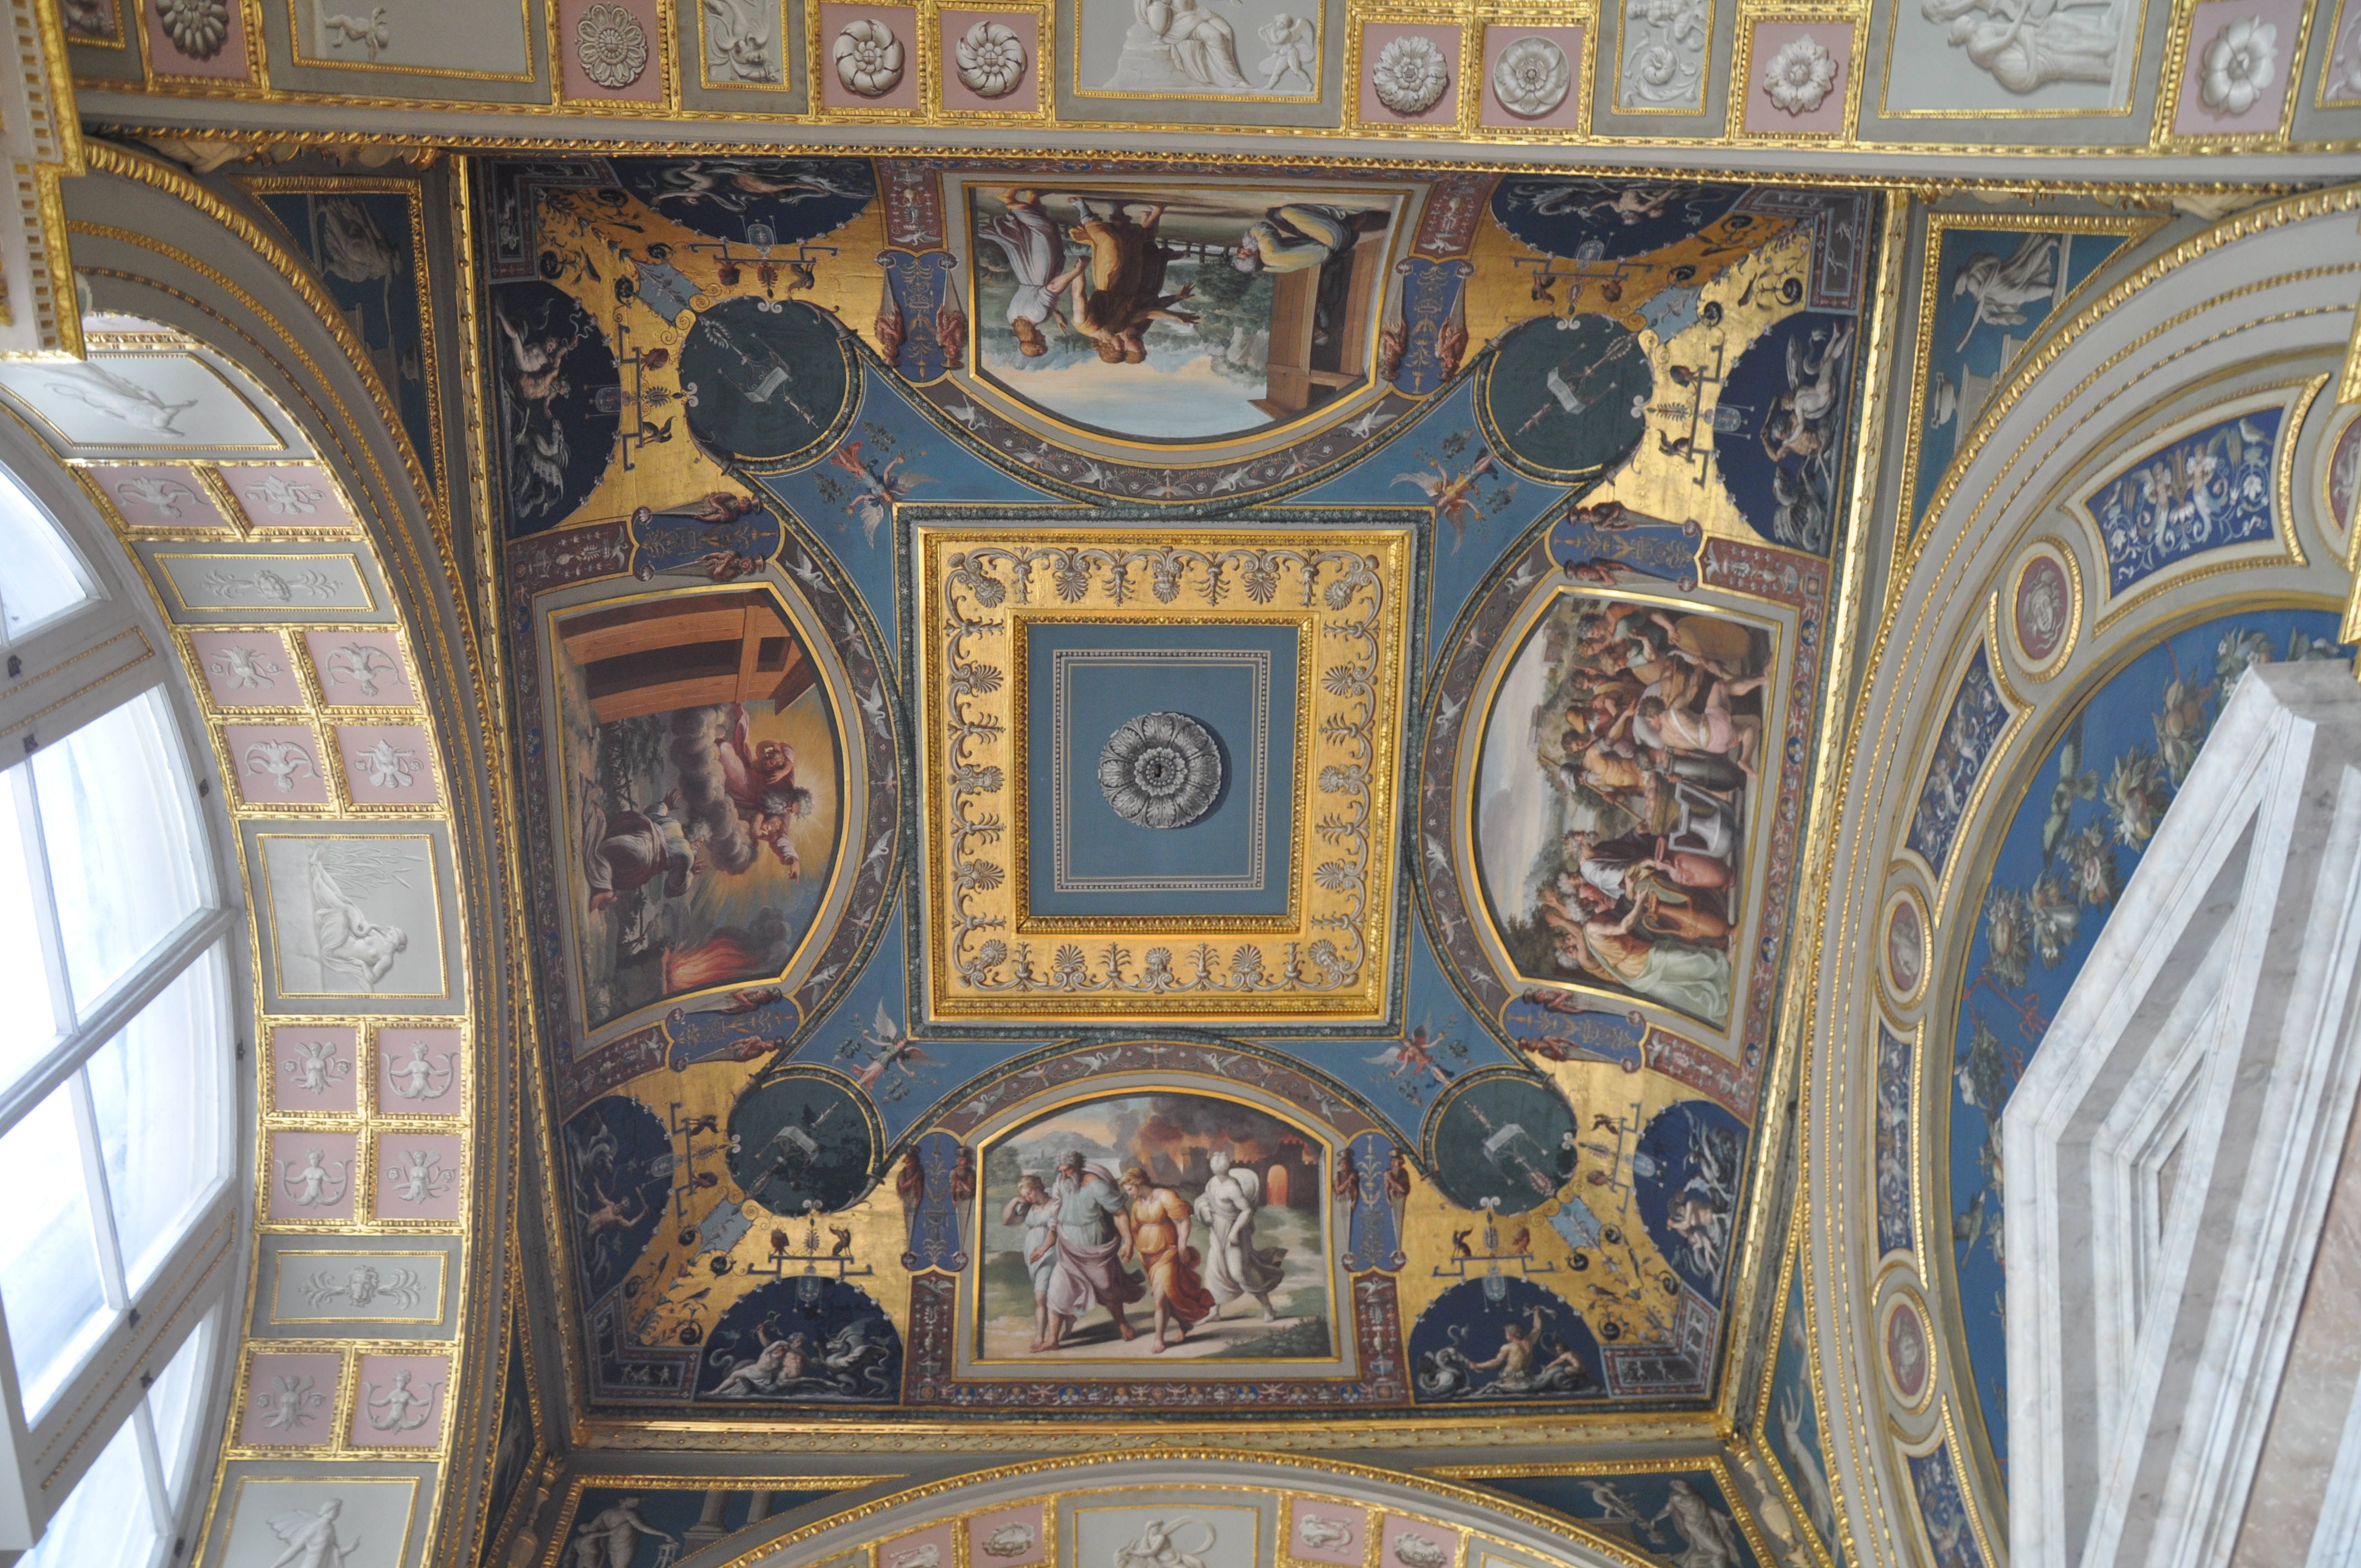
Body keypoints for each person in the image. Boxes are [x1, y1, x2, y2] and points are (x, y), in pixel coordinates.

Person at [1062, 198, 1199, 364]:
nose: (1122, 344)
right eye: (1124, 348)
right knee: (1132, 243)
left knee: (1110, 242)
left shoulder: (1087, 326)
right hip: (1130, 284)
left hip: (1108, 282)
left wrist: (1079, 271)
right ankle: (1118, 209)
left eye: (1119, 347)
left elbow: (1078, 295)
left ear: (1108, 347)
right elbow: (1148, 313)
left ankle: (1084, 210)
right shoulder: (1120, 327)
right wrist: (1176, 316)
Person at [1045, 1151, 1142, 1348]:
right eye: (1060, 1171)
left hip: (1096, 1248)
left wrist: (1129, 1242)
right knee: (1056, 1289)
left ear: (1078, 1166)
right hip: (1068, 1246)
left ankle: (1123, 1324)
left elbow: (1119, 1213)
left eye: (1067, 1170)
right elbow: (1056, 1212)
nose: (1063, 1175)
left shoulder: (1097, 1185)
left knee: (1107, 1288)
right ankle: (1052, 1339)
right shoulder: (1062, 1183)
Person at [1119, 1165, 1217, 1352]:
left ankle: (1159, 1340)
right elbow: (1134, 1230)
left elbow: (1184, 1220)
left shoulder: (1165, 1196)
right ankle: (1185, 1324)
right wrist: (1129, 1247)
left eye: (1130, 1189)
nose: (1129, 1194)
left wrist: (1182, 1246)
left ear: (1139, 1183)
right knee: (1169, 1295)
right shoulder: (1137, 1205)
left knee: (1160, 1296)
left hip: (1168, 1253)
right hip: (1148, 1257)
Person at [978, 188, 1077, 357]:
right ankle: (1034, 198)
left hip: (1040, 274)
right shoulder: (1013, 319)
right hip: (1024, 272)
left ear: (1034, 339)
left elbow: (1051, 289)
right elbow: (1038, 302)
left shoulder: (1038, 317)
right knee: (1032, 236)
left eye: (1042, 341)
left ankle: (1010, 200)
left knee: (1045, 231)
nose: (1044, 337)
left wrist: (1078, 270)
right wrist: (1056, 314)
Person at [1192, 1152, 1287, 1321]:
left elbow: (1247, 1210)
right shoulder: (1213, 1182)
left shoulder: (1232, 1187)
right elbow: (1204, 1198)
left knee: (1240, 1273)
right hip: (1217, 1233)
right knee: (1214, 1272)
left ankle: (1268, 1308)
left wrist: (1235, 1231)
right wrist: (1205, 1209)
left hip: (1234, 1234)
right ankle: (1214, 1313)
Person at [1002, 1171, 1062, 1351]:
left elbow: (1056, 1231)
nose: (1028, 1198)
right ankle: (1065, 1323)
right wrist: (1015, 1201)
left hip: (1051, 1251)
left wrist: (1043, 1249)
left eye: (1030, 1193)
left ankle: (1040, 1336)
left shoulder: (1055, 1205)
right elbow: (1007, 1221)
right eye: (1024, 1196)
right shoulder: (1029, 1208)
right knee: (1045, 1293)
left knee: (1042, 1296)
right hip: (1032, 1253)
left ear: (1038, 1188)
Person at [1232, 204, 1385, 274]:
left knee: (1274, 216)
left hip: (1329, 247)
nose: (1244, 249)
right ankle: (1343, 215)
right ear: (1254, 257)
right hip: (1333, 240)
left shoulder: (1267, 267)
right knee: (1286, 213)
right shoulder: (1269, 253)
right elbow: (1262, 228)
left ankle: (1342, 223)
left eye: (1240, 252)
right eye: (1246, 253)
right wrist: (1249, 239)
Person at [573, 1496, 677, 1568]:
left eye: (636, 1503)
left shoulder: (606, 1513)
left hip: (613, 1545)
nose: (635, 1504)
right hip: (625, 1545)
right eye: (634, 1502)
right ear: (624, 1501)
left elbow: (592, 1528)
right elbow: (643, 1527)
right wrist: (665, 1534)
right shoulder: (629, 1514)